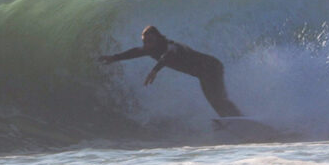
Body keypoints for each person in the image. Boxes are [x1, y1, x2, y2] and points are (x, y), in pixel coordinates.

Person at [99, 25, 243, 118]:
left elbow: (169, 56)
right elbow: (135, 52)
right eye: (145, 41)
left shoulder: (171, 47)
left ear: (158, 39)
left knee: (218, 100)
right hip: (203, 74)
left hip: (211, 67)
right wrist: (114, 58)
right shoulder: (151, 49)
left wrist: (155, 70)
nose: (146, 45)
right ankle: (234, 121)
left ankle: (239, 120)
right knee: (215, 102)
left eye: (150, 41)